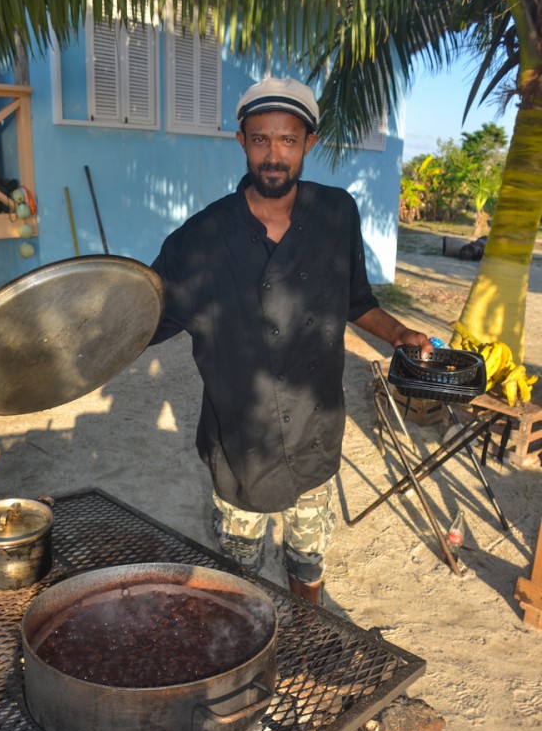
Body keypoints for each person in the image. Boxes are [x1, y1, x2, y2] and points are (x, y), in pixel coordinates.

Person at [150, 76, 432, 603]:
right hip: (239, 440)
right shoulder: (200, 237)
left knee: (307, 562)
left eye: (287, 140)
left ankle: (307, 635)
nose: (273, 155)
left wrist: (399, 333)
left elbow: (356, 301)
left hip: (314, 431)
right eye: (261, 139)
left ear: (309, 144)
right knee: (238, 574)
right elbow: (144, 318)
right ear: (242, 142)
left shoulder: (336, 215)